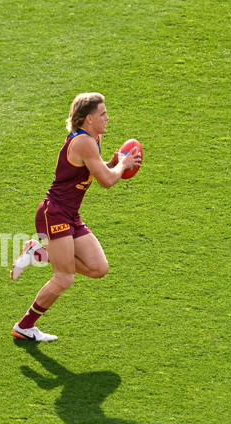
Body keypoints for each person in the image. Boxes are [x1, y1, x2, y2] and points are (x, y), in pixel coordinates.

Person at [11, 92, 141, 341]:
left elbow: (95, 166)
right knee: (64, 277)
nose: (107, 117)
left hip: (69, 214)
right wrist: (122, 165)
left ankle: (38, 254)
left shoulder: (93, 138)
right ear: (89, 118)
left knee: (99, 268)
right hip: (54, 213)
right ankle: (24, 327)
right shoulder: (84, 142)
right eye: (103, 113)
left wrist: (113, 161)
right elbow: (106, 180)